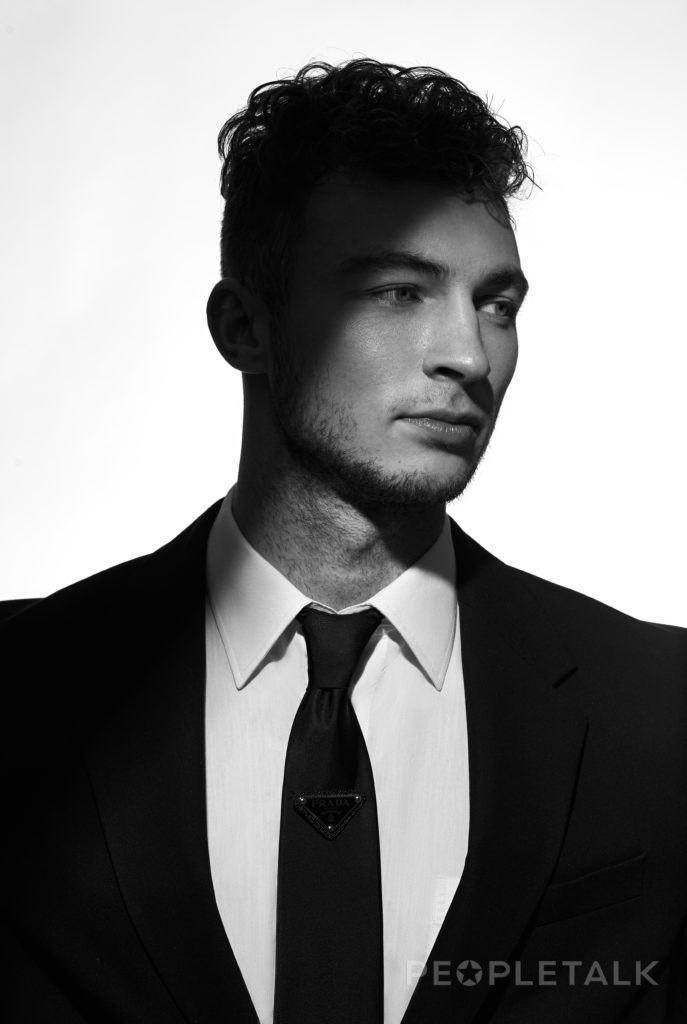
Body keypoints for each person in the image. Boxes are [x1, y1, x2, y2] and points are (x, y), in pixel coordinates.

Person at [3, 59, 685, 1024]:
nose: (468, 354)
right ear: (243, 326)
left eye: (497, 304)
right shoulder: (23, 691)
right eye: (398, 292)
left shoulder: (659, 712)